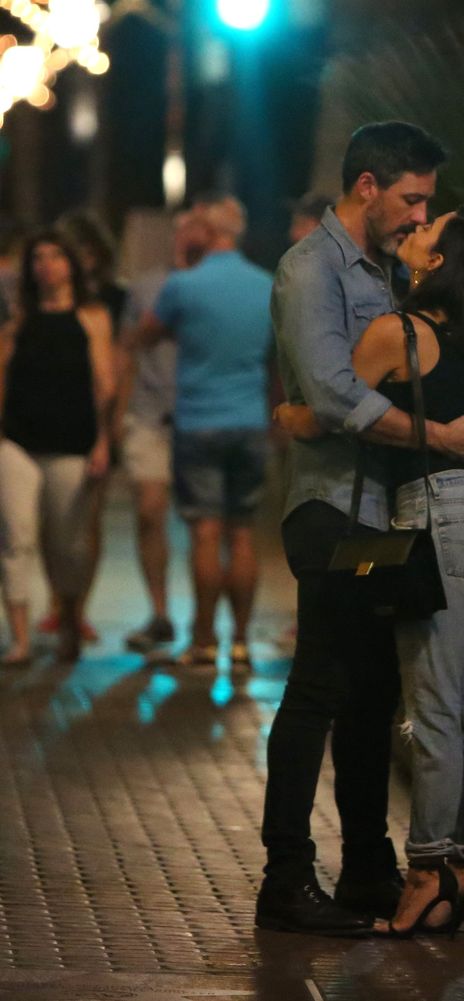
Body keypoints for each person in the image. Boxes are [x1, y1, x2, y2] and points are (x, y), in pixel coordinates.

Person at [255, 121, 464, 937]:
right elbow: (332, 398)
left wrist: (462, 428)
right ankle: (286, 875)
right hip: (332, 510)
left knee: (371, 696)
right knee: (318, 688)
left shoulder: (395, 274)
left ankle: (366, 866)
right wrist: (440, 436)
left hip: (388, 515)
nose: (419, 215)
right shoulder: (311, 270)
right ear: (367, 186)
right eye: (412, 199)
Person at [134, 195, 272, 672]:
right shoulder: (265, 284)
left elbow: (145, 335)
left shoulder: (183, 285)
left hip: (198, 422)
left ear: (208, 233)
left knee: (206, 534)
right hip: (250, 419)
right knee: (244, 533)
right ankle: (242, 643)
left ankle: (204, 640)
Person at [0, 230, 114, 665]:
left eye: (55, 257)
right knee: (17, 537)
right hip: (18, 442)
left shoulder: (91, 317)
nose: (46, 266)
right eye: (39, 258)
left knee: (69, 545)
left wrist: (103, 441)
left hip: (72, 443)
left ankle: (69, 618)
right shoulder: (18, 320)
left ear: (71, 265)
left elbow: (104, 384)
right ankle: (21, 641)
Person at [115, 209, 211, 653]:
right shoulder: (146, 286)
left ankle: (202, 623)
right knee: (150, 510)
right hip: (151, 414)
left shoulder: (216, 286)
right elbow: (127, 347)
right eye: (183, 228)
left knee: (203, 525)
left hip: (202, 416)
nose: (188, 235)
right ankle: (159, 613)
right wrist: (116, 416)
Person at [38, 211, 127, 644]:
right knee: (50, 520)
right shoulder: (40, 298)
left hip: (93, 422)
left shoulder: (111, 299)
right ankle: (59, 604)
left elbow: (119, 366)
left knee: (86, 520)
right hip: (48, 419)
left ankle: (78, 607)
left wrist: (112, 426)